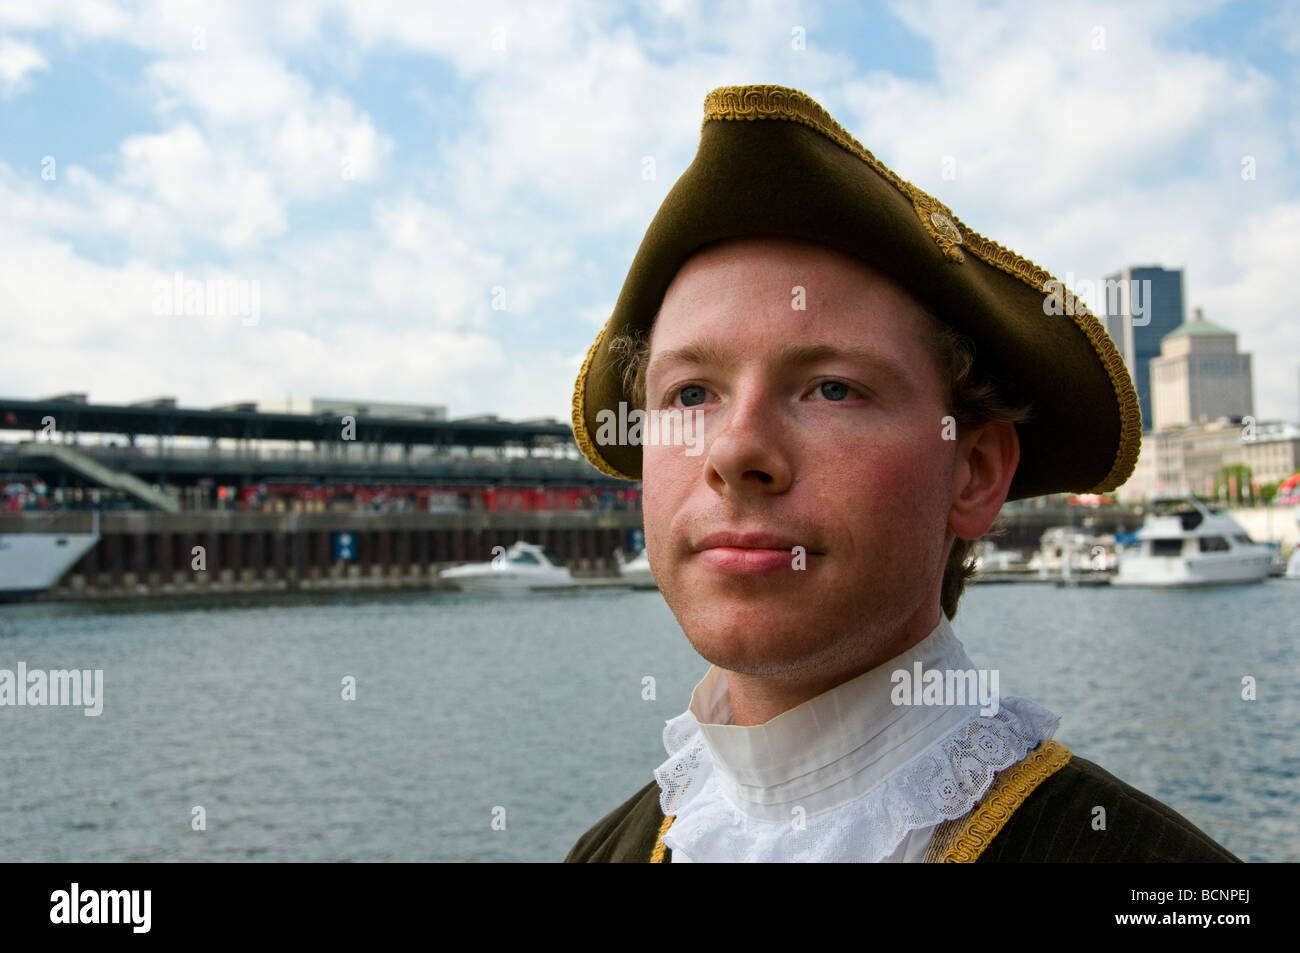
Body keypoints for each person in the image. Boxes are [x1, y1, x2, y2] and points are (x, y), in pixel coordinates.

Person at [564, 84, 1238, 863]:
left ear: (974, 472)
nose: (735, 450)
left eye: (833, 388)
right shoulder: (605, 851)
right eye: (690, 394)